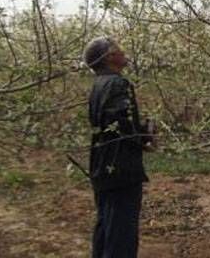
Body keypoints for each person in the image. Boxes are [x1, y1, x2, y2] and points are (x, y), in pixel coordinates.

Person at [82, 36, 156, 258]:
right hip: (120, 169)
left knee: (106, 227)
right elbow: (119, 125)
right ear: (110, 57)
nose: (124, 52)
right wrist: (145, 137)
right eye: (118, 49)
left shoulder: (99, 84)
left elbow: (111, 121)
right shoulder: (117, 83)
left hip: (104, 166)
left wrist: (140, 130)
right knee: (121, 234)